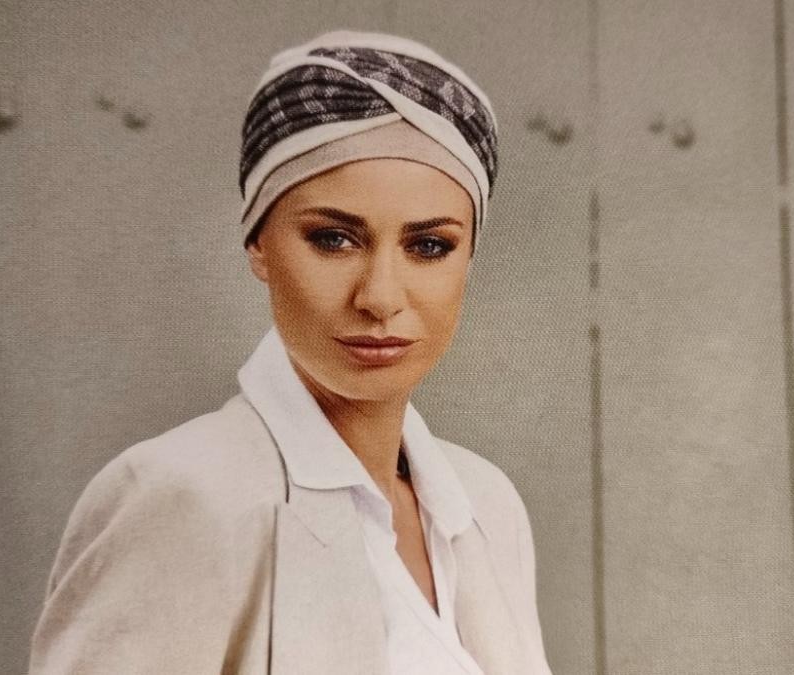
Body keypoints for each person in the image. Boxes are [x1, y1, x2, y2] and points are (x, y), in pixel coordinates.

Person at [28, 30, 552, 675]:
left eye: (429, 247)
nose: (380, 297)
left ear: (469, 257)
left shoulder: (485, 505)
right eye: (333, 239)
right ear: (258, 244)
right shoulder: (182, 496)